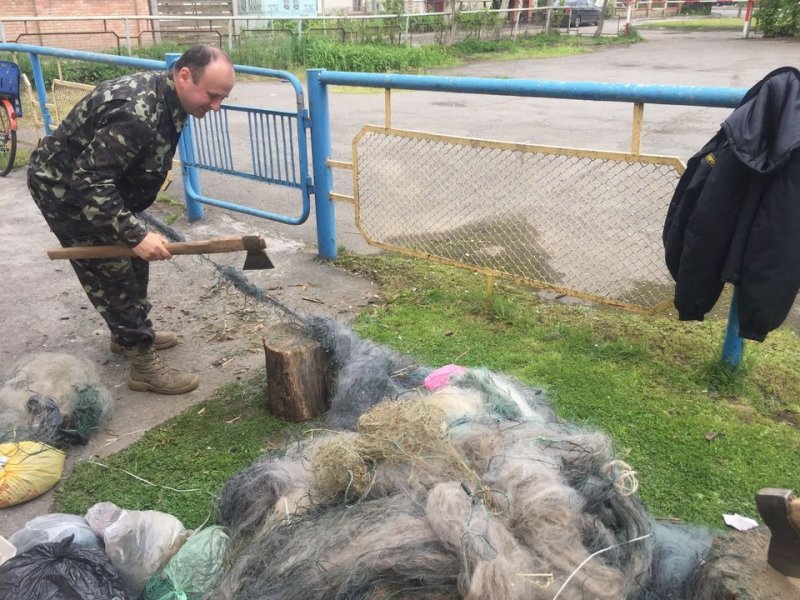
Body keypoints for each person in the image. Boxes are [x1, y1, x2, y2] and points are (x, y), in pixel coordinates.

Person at [28, 44, 236, 395]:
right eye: (212, 96)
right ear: (184, 76)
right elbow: (89, 181)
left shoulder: (171, 98)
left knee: (135, 258)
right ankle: (142, 362)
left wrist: (134, 236)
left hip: (101, 185)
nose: (215, 106)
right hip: (65, 190)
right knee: (113, 270)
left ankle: (125, 334)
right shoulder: (137, 111)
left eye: (222, 99)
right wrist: (134, 234)